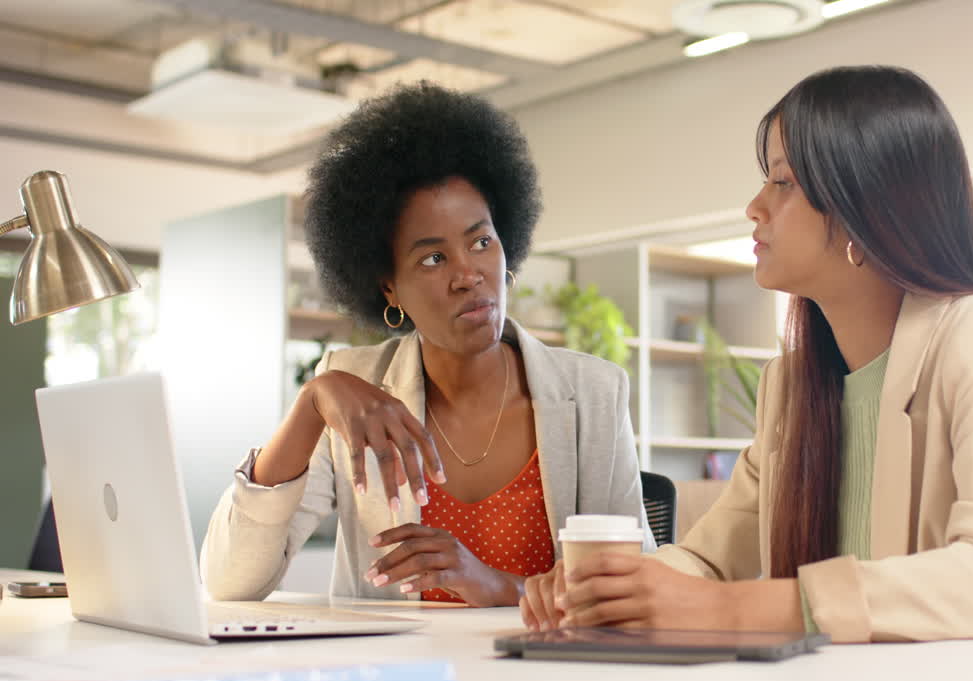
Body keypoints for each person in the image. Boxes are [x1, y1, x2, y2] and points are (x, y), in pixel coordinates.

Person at [522, 66, 973, 641]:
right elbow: (709, 561)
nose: (754, 206)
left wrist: (731, 611)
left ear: (863, 206)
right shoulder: (792, 385)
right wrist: (606, 588)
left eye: (782, 182)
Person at [202, 82, 655, 607]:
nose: (469, 275)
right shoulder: (357, 395)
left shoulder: (593, 393)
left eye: (482, 242)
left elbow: (632, 586)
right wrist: (312, 402)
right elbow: (231, 583)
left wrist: (498, 586)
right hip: (400, 680)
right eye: (433, 259)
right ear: (387, 286)